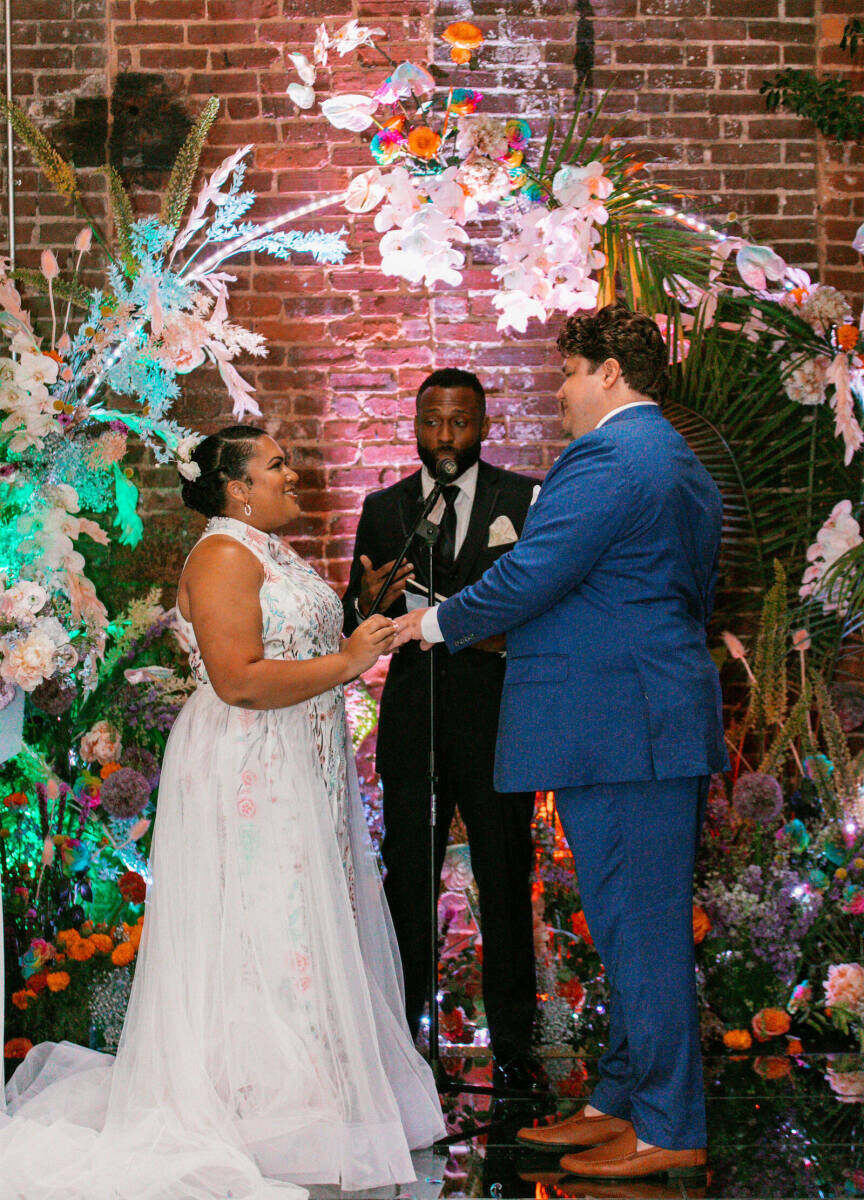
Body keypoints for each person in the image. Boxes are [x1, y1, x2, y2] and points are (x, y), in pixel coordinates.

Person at [0, 425, 444, 1198]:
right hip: (250, 765)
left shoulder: (265, 548)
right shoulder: (222, 554)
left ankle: (313, 1095)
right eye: (276, 465)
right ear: (238, 485)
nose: (291, 473)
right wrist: (349, 661)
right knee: (263, 920)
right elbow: (239, 678)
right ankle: (259, 1105)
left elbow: (287, 641)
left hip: (297, 763)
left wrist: (354, 618)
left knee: (298, 917)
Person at [393, 304, 729, 1180]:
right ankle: (622, 1100)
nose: (561, 392)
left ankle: (667, 1124)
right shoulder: (674, 459)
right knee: (629, 927)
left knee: (642, 931)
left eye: (570, 374)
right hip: (637, 722)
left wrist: (434, 623)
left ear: (611, 374)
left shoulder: (613, 455)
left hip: (624, 730)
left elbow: (535, 573)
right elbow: (675, 594)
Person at [342, 368, 541, 1088]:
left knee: (505, 875)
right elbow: (354, 621)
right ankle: (403, 1041)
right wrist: (362, 600)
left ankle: (516, 1047)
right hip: (413, 722)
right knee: (409, 881)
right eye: (433, 423)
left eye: (460, 423)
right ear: (416, 424)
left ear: (483, 424)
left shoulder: (521, 500)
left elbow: (538, 606)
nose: (446, 438)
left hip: (498, 722)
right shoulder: (386, 507)